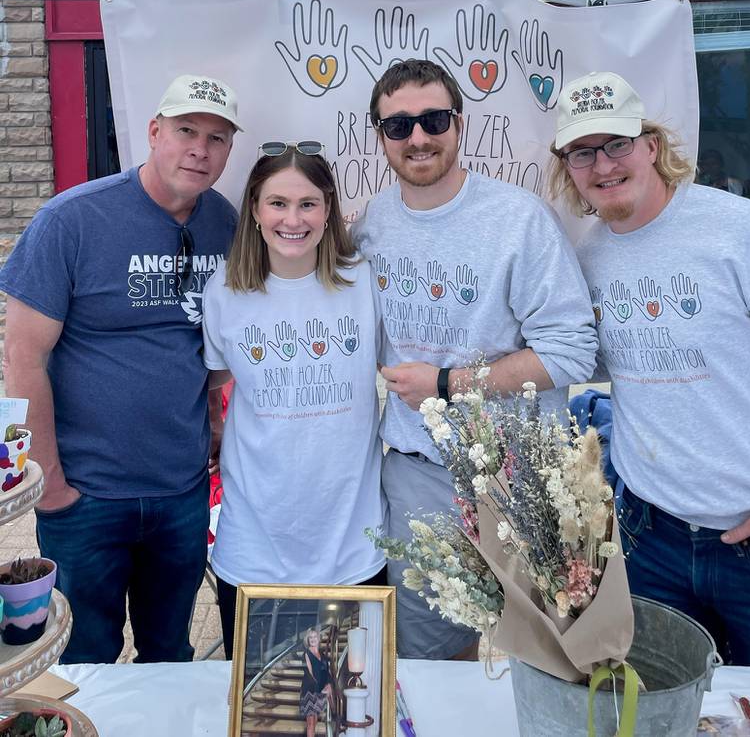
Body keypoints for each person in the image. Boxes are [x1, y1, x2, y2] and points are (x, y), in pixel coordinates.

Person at [548, 70, 750, 665]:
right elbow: (573, 357)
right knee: (658, 707)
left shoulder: (746, 233)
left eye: (617, 144)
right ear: (569, 168)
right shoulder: (586, 261)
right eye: (583, 152)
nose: (604, 164)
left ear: (652, 146)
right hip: (649, 539)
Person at [352, 59, 598, 660]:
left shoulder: (519, 221)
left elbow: (571, 350)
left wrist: (448, 383)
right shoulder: (372, 226)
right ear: (379, 136)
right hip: (419, 475)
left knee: (547, 655)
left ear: (460, 126)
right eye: (399, 125)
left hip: (522, 480)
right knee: (427, 656)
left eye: (434, 119)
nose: (418, 137)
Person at [0, 73, 241, 663]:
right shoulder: (73, 220)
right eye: (186, 130)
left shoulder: (225, 223)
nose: (199, 149)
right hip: (87, 496)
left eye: (216, 138)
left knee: (168, 653)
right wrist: (49, 483)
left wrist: (211, 416)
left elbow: (215, 338)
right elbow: (22, 354)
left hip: (180, 491)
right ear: (153, 132)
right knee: (84, 658)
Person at [202, 142, 385, 659]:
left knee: (351, 707)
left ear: (328, 210)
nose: (293, 219)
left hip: (352, 545)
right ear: (255, 211)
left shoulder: (363, 283)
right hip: (255, 547)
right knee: (263, 705)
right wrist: (216, 432)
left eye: (307, 203)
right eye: (277, 203)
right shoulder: (225, 292)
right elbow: (214, 382)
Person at [300, 627, 332, 737]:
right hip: (309, 691)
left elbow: (326, 673)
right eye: (310, 637)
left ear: (319, 638)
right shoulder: (306, 654)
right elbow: (309, 675)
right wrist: (320, 690)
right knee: (310, 723)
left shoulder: (322, 655)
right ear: (308, 640)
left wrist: (328, 685)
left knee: (315, 721)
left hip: (320, 692)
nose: (313, 639)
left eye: (315, 637)